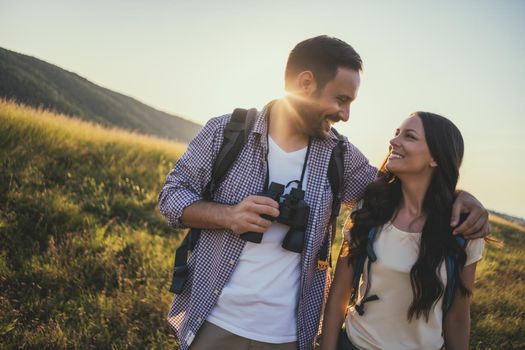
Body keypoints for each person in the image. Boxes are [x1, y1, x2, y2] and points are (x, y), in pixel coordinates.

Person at [158, 36, 490, 350]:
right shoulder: (225, 133)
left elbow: (399, 188)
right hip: (214, 322)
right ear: (305, 84)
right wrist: (228, 216)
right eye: (341, 100)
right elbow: (171, 196)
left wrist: (461, 197)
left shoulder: (339, 156)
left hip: (288, 334)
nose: (345, 114)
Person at [321, 112, 483, 350]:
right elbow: (339, 295)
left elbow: (458, 317)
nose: (393, 141)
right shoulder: (370, 208)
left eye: (409, 136)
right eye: (396, 133)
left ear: (436, 157)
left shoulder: (461, 228)